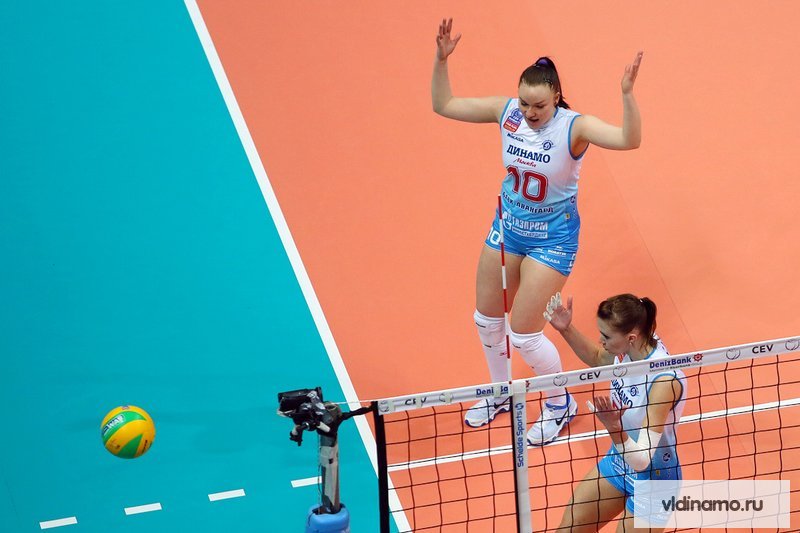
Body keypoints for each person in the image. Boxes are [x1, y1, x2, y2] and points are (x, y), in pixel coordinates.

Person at [432, 18, 644, 445]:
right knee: (486, 319)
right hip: (508, 229)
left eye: (539, 106)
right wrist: (441, 61)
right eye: (525, 103)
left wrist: (626, 95)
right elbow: (444, 104)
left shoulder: (575, 127)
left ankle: (559, 403)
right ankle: (499, 393)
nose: (530, 113)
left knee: (525, 334)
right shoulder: (506, 113)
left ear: (556, 98)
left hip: (553, 240)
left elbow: (629, 140)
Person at [544, 292, 686, 532]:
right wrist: (566, 329)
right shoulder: (631, 347)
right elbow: (598, 358)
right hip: (620, 461)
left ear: (631, 337)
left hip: (655, 480)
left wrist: (614, 428)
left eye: (607, 336)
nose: (601, 340)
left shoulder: (663, 381)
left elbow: (642, 460)